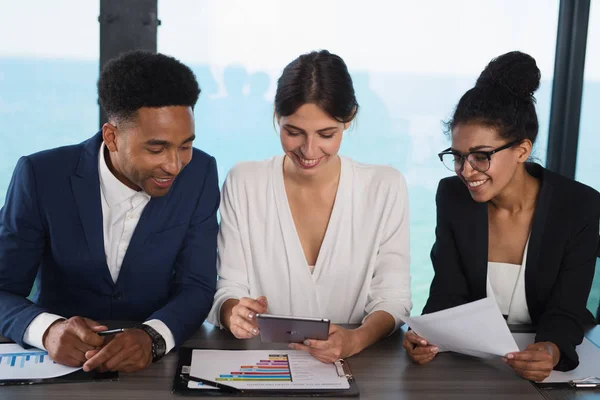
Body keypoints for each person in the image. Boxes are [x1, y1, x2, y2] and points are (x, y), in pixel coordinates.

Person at [0, 51, 220, 373]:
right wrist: (46, 330)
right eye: (156, 149)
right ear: (112, 137)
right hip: (57, 367)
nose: (175, 165)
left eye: (184, 145)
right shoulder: (40, 175)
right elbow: (3, 288)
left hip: (155, 371)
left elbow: (197, 286)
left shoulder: (200, 172)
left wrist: (153, 337)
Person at [403, 51, 600, 381]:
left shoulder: (578, 205)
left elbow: (568, 309)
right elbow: (447, 293)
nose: (466, 171)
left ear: (522, 150)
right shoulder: (453, 197)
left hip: (546, 367)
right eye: (458, 156)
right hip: (474, 364)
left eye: (481, 157)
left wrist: (550, 349)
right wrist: (426, 337)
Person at [206, 50, 412, 363]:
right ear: (277, 115)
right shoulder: (244, 182)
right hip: (263, 364)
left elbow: (394, 299)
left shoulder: (385, 187)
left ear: (349, 119)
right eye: (293, 132)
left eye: (326, 134)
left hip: (358, 367)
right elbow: (228, 289)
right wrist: (232, 311)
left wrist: (355, 340)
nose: (309, 150)